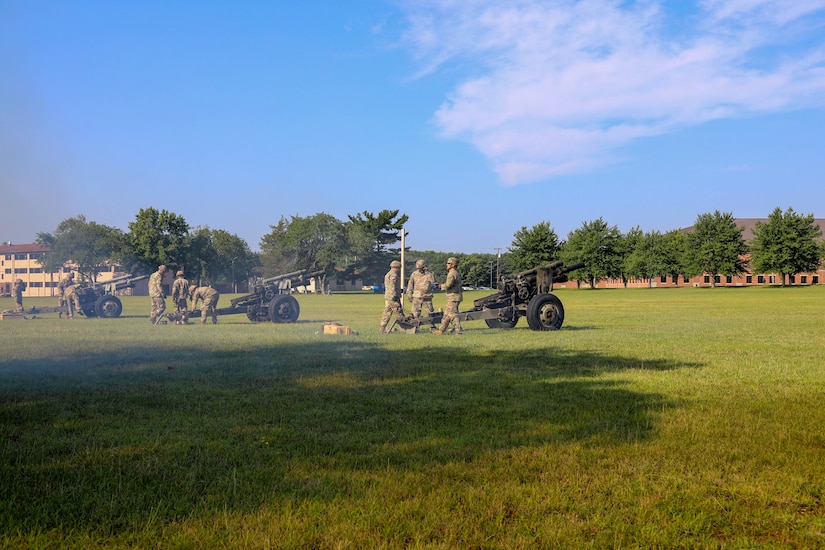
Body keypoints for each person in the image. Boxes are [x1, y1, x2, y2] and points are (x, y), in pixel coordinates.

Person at [432, 257, 463, 335]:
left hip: (454, 297)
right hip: (453, 297)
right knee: (447, 315)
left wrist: (439, 286)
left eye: (448, 263)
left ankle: (459, 331)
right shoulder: (454, 272)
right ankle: (441, 330)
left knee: (452, 315)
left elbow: (448, 285)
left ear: (453, 265)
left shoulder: (452, 273)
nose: (447, 265)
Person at [379, 259, 404, 333]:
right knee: (399, 312)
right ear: (396, 267)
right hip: (392, 297)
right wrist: (394, 295)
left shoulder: (388, 274)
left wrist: (399, 290)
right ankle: (405, 327)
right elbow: (392, 286)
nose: (399, 270)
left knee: (387, 312)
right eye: (399, 268)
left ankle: (382, 327)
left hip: (388, 297)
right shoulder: (393, 275)